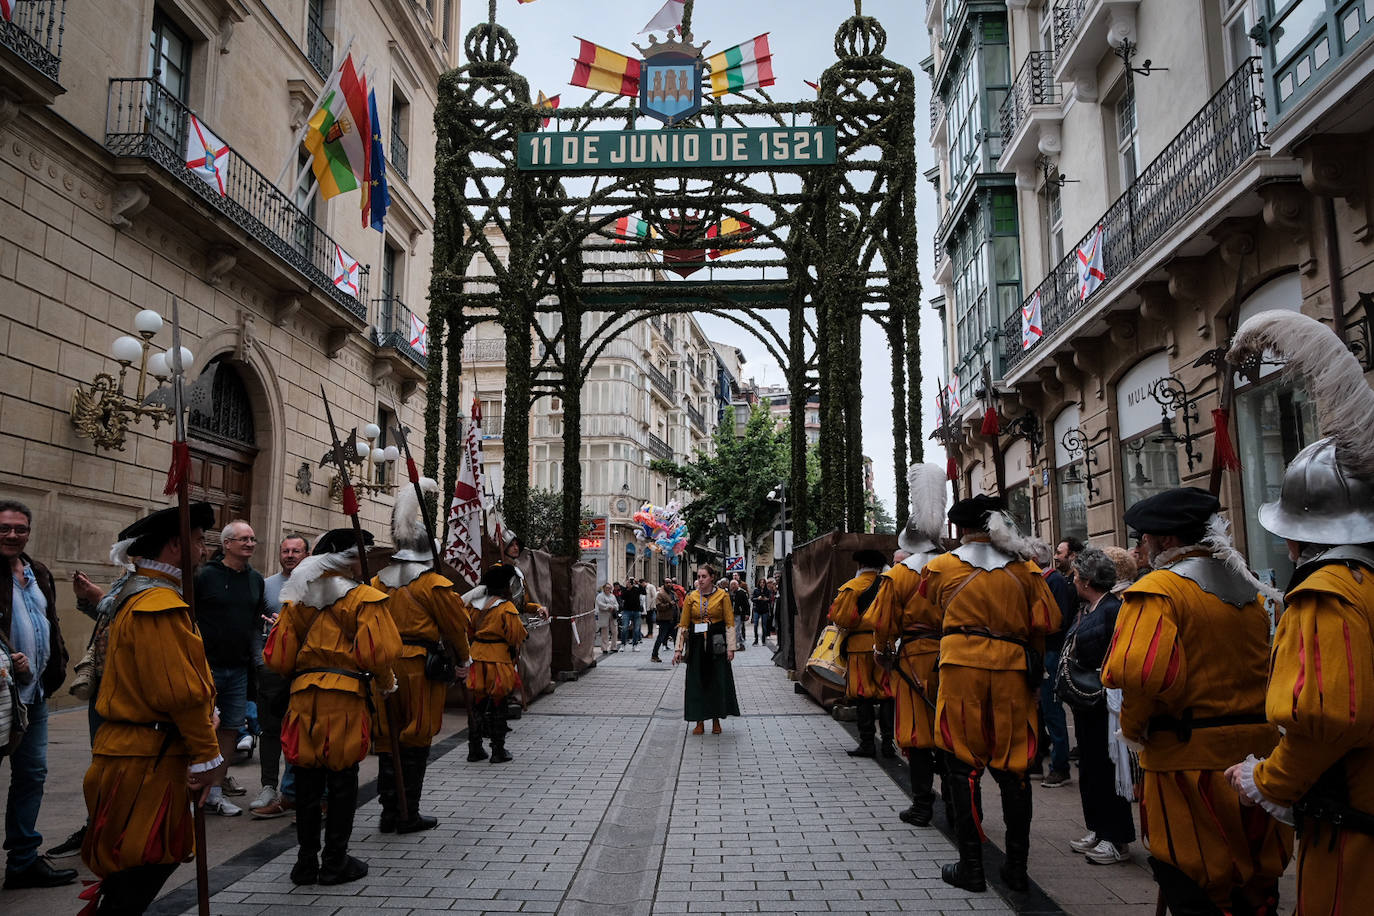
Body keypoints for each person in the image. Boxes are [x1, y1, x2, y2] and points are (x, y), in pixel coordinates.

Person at [1221, 309, 1374, 916]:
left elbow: (1326, 715)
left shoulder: (1326, 592)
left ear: (1296, 537)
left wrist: (1270, 780)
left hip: (1355, 830)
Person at [1102, 487, 1292, 915]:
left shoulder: (1158, 591)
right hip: (1254, 757)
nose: (1140, 547)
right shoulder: (1251, 592)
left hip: (1186, 766)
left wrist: (1132, 731)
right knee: (1255, 883)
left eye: (1145, 538)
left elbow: (1140, 674)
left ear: (1166, 541)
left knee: (1192, 877)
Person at [80, 502, 224, 912]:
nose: (203, 551)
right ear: (176, 546)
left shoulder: (132, 594)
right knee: (145, 861)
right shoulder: (157, 604)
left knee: (135, 865)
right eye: (198, 542)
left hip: (135, 750)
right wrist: (206, 754)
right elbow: (179, 693)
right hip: (147, 759)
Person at [923, 494, 1060, 893]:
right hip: (1013, 673)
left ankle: (971, 868)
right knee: (1015, 769)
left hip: (961, 671)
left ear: (961, 529)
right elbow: (1046, 622)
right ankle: (1016, 870)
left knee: (961, 765)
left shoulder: (941, 567)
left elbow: (932, 612)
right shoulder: (1026, 569)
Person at [265, 528, 402, 886]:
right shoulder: (365, 598)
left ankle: (305, 862)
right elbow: (378, 654)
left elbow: (280, 659)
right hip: (344, 698)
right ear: (349, 559)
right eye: (361, 556)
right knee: (342, 780)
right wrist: (387, 684)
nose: (365, 561)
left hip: (302, 697)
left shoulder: (296, 599)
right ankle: (335, 861)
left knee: (308, 781)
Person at [371, 480, 471, 827]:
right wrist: (463, 661)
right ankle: (407, 812)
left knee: (387, 739)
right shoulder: (434, 585)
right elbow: (455, 628)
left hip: (385, 667)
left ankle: (388, 811)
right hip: (418, 669)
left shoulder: (377, 583)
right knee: (415, 736)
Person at [0, 499, 74, 890]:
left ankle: (23, 862)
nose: (13, 535)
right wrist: (8, 661)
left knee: (32, 775)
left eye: (20, 529)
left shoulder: (37, 571)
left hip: (35, 695)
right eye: (5, 528)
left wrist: (54, 660)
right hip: (1, 697)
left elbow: (49, 622)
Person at [870, 463, 947, 826]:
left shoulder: (899, 574)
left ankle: (922, 805)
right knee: (952, 730)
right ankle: (961, 806)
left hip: (915, 659)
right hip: (953, 657)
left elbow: (883, 623)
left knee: (918, 735)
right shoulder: (959, 567)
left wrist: (883, 654)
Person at [1061, 548, 1136, 864]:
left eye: (1077, 575)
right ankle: (1098, 828)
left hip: (1105, 702)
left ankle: (1116, 838)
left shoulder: (1112, 609)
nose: (1073, 579)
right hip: (1087, 702)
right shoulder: (1088, 608)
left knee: (1107, 769)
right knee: (1091, 769)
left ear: (1088, 579)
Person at [194, 519, 266, 814]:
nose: (250, 543)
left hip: (237, 669)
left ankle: (214, 791)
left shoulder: (255, 579)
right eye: (243, 539)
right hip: (206, 667)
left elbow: (253, 623)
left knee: (231, 731)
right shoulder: (204, 577)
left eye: (252, 539)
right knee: (201, 729)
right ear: (227, 544)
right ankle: (192, 790)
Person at [250, 532, 308, 818]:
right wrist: (258, 661)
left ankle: (295, 790)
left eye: (296, 551)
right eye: (286, 550)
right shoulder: (265, 586)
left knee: (299, 731)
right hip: (271, 670)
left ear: (306, 555)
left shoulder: (314, 588)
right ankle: (268, 786)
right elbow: (253, 627)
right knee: (270, 730)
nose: (290, 555)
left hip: (304, 671)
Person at [828, 549, 895, 758]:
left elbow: (842, 619)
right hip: (884, 646)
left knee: (862, 694)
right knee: (886, 694)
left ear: (859, 566)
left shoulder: (851, 587)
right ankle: (887, 744)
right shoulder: (889, 584)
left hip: (858, 648)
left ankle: (867, 743)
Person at [466, 564, 528, 763]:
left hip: (477, 657)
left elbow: (468, 630)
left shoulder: (475, 605)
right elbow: (516, 635)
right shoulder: (506, 608)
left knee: (478, 704)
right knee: (499, 704)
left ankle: (474, 748)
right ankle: (498, 750)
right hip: (499, 659)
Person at [673, 564, 739, 734]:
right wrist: (678, 649)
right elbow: (684, 624)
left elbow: (730, 623)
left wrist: (731, 648)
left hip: (716, 643)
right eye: (699, 576)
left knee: (717, 682)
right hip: (696, 644)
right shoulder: (691, 597)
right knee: (697, 682)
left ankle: (716, 720)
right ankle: (699, 720)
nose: (700, 580)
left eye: (703, 576)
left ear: (712, 578)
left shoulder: (722, 596)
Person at [1031, 539, 1076, 789]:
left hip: (1051, 651)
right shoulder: (1042, 580)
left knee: (1052, 710)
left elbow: (1056, 620)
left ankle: (1060, 766)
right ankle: (1037, 759)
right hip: (1043, 651)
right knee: (1040, 709)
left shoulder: (1054, 581)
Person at [649, 584, 677, 662]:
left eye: (670, 582)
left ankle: (678, 655)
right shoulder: (660, 594)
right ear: (664, 584)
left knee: (676, 639)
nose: (669, 584)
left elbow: (677, 605)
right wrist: (669, 604)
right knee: (660, 638)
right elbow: (659, 606)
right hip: (664, 620)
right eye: (667, 582)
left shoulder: (673, 594)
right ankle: (654, 655)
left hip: (673, 620)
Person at [620, 578, 644, 651]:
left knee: (636, 629)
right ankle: (623, 644)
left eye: (630, 583)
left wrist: (638, 583)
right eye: (628, 583)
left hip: (636, 611)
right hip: (627, 611)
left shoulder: (636, 589)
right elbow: (622, 597)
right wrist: (628, 589)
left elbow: (644, 591)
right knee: (624, 628)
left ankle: (635, 644)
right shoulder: (625, 590)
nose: (629, 584)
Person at [595, 583, 620, 655]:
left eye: (609, 588)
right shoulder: (600, 596)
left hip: (612, 615)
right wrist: (608, 606)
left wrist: (613, 607)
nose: (608, 589)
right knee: (604, 632)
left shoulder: (612, 596)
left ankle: (614, 647)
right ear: (604, 588)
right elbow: (599, 604)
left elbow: (616, 604)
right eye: (607, 588)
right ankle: (604, 648)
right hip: (603, 615)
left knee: (615, 631)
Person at [728, 579, 749, 651]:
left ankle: (736, 645)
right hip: (731, 614)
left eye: (734, 585)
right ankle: (740, 642)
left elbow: (746, 604)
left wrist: (747, 613)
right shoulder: (730, 593)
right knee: (733, 629)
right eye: (731, 585)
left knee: (737, 629)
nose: (733, 586)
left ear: (737, 585)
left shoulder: (742, 593)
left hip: (739, 614)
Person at [750, 578, 771, 646]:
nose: (762, 584)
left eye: (763, 583)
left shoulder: (767, 591)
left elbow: (770, 600)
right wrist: (757, 598)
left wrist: (766, 599)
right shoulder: (756, 590)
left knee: (764, 626)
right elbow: (752, 599)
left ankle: (763, 640)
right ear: (759, 583)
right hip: (757, 609)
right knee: (755, 624)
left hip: (764, 610)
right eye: (761, 582)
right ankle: (756, 640)